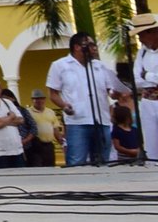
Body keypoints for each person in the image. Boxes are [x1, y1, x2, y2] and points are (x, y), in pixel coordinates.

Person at [47, 33, 130, 167]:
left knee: (103, 161)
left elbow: (111, 92)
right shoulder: (60, 65)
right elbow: (53, 93)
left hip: (101, 120)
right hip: (77, 121)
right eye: (90, 45)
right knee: (76, 162)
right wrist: (64, 106)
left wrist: (118, 93)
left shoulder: (100, 66)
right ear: (77, 47)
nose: (94, 48)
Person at [132, 14, 158, 154]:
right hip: (147, 101)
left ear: (153, 32)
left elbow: (142, 76)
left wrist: (147, 75)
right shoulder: (141, 53)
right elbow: (136, 80)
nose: (140, 39)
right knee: (150, 143)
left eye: (142, 34)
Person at [25, 90, 61, 167]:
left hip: (48, 145)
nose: (39, 101)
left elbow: (55, 129)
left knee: (50, 166)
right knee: (37, 166)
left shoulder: (50, 112)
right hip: (35, 145)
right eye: (36, 99)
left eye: (41, 98)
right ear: (32, 100)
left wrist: (61, 141)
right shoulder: (28, 112)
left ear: (44, 99)